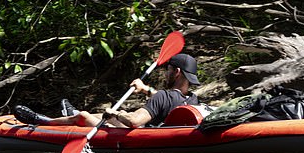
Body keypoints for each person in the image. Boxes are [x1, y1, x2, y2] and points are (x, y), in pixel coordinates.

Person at [13, 53, 200, 128]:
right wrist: (145, 90)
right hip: (155, 131)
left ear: (176, 72)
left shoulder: (163, 96)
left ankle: (42, 122)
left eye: (168, 70)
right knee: (101, 115)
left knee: (85, 116)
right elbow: (165, 101)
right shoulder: (193, 100)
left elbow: (134, 121)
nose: (165, 73)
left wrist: (117, 113)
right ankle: (71, 113)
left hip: (140, 133)